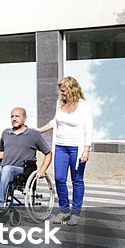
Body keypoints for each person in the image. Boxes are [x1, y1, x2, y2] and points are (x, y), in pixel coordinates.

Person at [37, 76, 93, 225]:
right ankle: (64, 210)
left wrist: (86, 150)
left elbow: (89, 129)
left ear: (71, 89)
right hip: (60, 146)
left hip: (77, 147)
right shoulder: (60, 103)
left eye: (63, 91)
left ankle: (75, 213)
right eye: (60, 91)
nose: (61, 93)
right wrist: (39, 130)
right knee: (60, 179)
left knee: (77, 180)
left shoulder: (84, 106)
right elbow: (55, 122)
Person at [0, 107, 52, 210]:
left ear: (25, 118)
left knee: (7, 168)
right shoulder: (6, 133)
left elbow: (48, 153)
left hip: (21, 172)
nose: (14, 119)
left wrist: (43, 170)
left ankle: (0, 204)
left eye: (17, 116)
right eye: (12, 116)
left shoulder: (33, 135)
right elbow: (1, 150)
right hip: (4, 169)